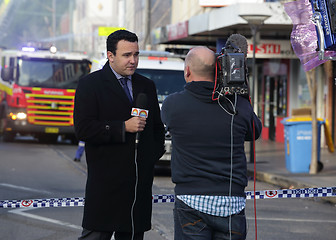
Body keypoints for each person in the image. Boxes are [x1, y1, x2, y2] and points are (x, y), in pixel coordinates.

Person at [161, 46, 262, 240]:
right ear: (219, 71)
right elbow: (254, 131)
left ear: (188, 71)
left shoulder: (172, 105)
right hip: (232, 204)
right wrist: (240, 91)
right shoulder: (238, 105)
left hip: (191, 202)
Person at [73, 30, 165, 240]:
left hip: (137, 187)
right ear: (110, 55)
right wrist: (122, 127)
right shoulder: (90, 85)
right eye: (126, 55)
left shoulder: (146, 85)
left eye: (136, 54)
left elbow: (157, 129)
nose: (133, 61)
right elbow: (83, 128)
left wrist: (149, 158)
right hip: (105, 184)